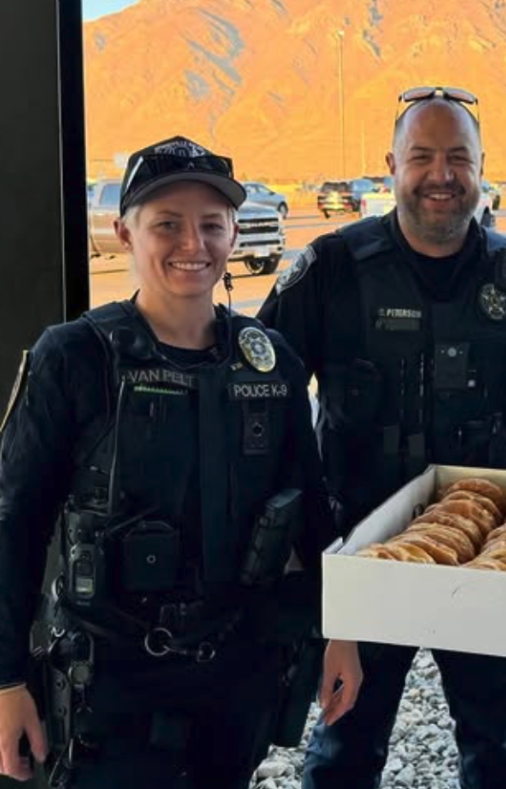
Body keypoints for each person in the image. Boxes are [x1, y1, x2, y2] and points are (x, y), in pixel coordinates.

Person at [0, 136, 361, 789]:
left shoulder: (269, 362)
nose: (193, 243)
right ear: (123, 233)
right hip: (110, 689)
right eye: (167, 224)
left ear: (233, 234)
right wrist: (6, 680)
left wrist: (341, 634)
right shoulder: (73, 358)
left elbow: (312, 511)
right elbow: (13, 523)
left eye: (211, 224)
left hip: (236, 679)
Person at [257, 87, 506, 789]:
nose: (442, 174)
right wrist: (292, 539)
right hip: (364, 547)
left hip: (488, 555)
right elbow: (262, 399)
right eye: (423, 156)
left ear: (481, 166)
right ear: (391, 166)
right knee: (346, 738)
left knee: (496, 739)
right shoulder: (333, 268)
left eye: (458, 157)